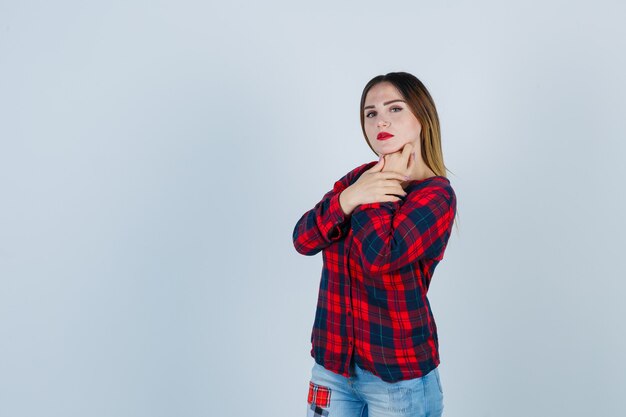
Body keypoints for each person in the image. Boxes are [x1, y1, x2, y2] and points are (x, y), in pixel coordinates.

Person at [292, 71, 457, 417]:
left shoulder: (436, 195)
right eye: (371, 112)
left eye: (395, 109)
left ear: (421, 118)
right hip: (333, 368)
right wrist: (348, 197)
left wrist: (377, 189)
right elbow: (303, 239)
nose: (381, 119)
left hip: (398, 378)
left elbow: (380, 257)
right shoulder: (357, 180)